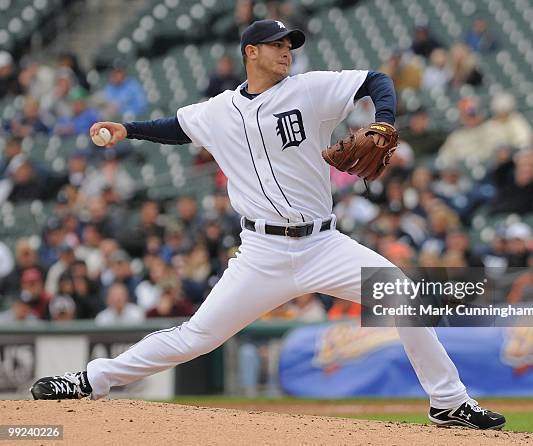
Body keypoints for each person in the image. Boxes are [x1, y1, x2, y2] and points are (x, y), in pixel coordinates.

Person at [30, 19, 505, 430]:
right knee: (196, 337)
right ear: (250, 53)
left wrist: (383, 119)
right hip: (262, 254)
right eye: (278, 45)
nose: (286, 52)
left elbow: (376, 80)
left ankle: (449, 402)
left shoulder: (310, 89)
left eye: (290, 46)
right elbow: (178, 126)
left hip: (324, 244)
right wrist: (127, 129)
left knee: (400, 295)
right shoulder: (217, 110)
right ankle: (92, 379)